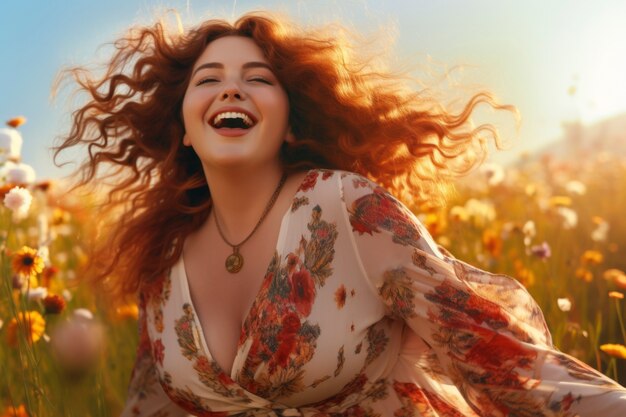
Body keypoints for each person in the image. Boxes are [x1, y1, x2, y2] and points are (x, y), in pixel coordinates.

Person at [55, 11, 626, 417]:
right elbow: (148, 406)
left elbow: (499, 355)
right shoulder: (164, 260)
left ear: (293, 121)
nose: (232, 90)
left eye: (257, 80)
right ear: (181, 127)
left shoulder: (346, 207)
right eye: (209, 80)